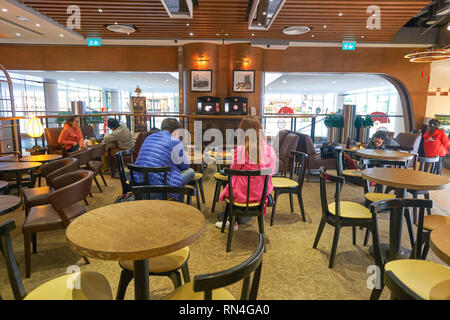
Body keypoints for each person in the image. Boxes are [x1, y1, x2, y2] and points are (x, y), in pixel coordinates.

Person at [216, 116, 277, 230]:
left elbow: (233, 170)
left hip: (240, 194)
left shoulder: (240, 150)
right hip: (261, 194)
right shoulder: (269, 149)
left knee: (230, 184)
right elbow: (272, 171)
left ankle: (233, 222)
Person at [133, 118, 195, 194]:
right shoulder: (175, 141)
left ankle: (177, 201)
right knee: (190, 172)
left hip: (139, 180)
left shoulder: (149, 137)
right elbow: (185, 166)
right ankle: (178, 203)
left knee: (176, 175)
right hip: (160, 185)